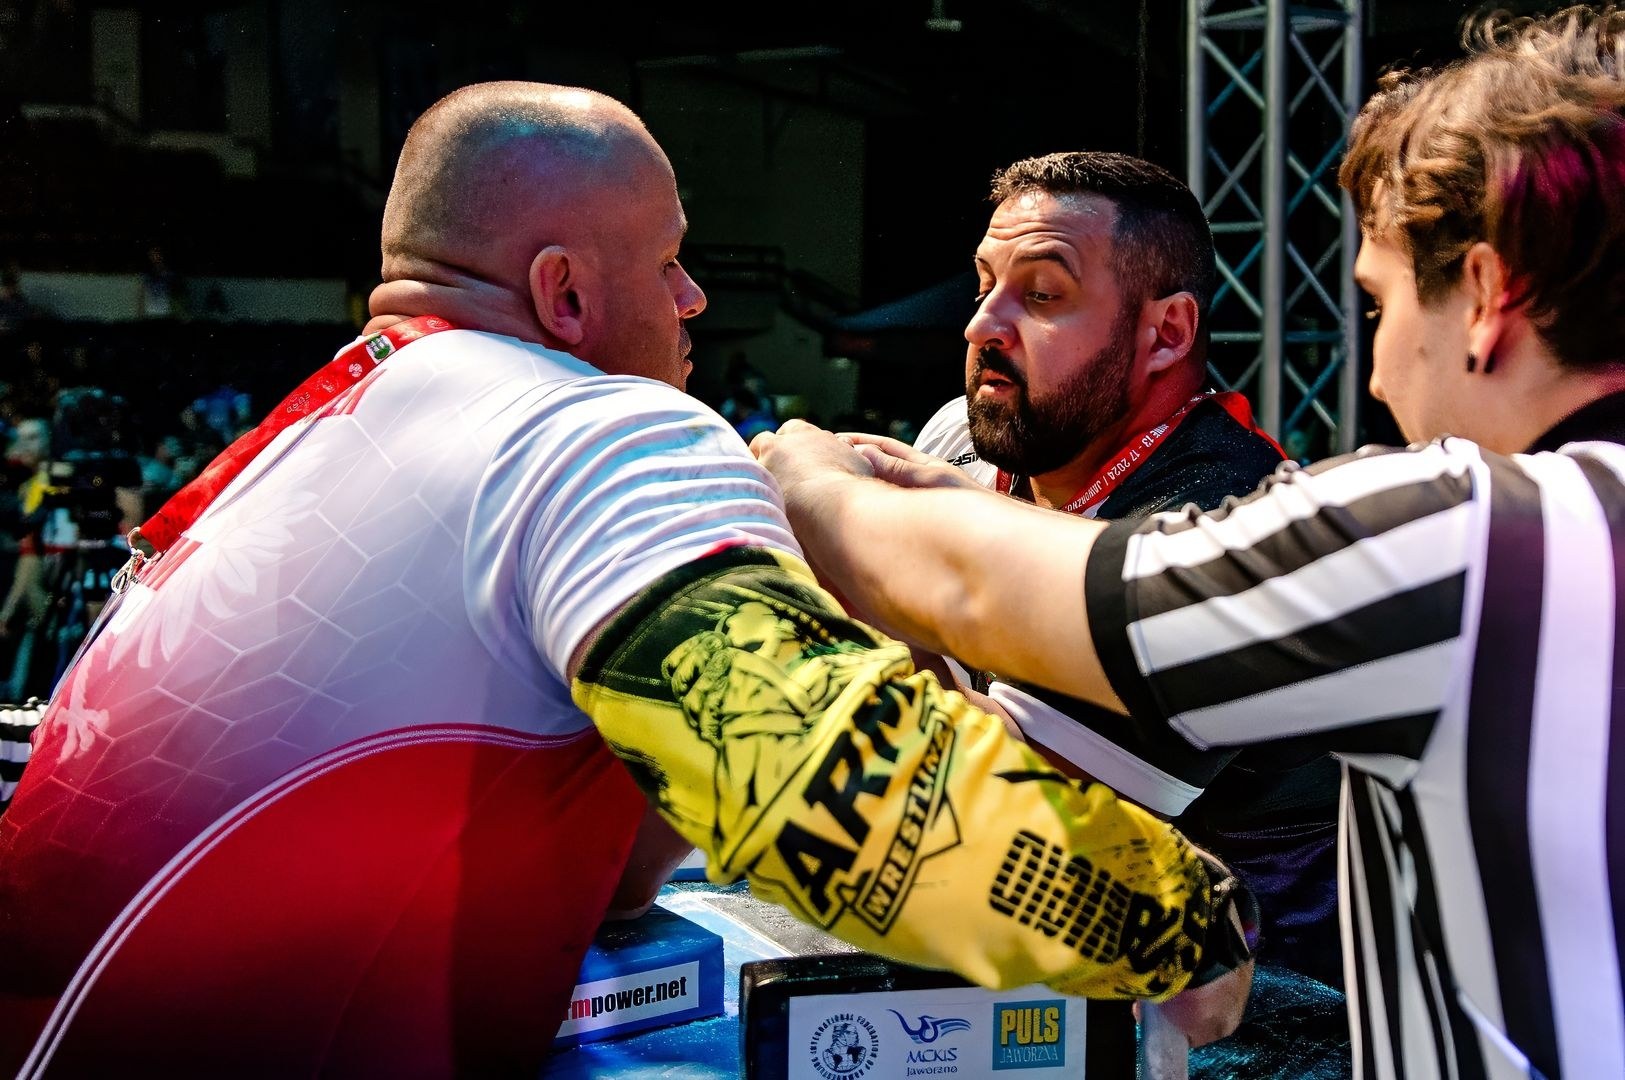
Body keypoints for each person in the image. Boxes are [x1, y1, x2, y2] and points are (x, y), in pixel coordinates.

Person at [0, 82, 1254, 1075]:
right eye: (668, 265)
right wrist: (1169, 926)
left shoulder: (307, 433)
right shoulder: (594, 427)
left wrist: (787, 608)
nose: (696, 296)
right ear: (562, 294)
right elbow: (828, 794)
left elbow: (614, 877)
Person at [752, 7, 1625, 1078]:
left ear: (1485, 297)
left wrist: (811, 484)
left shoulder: (1464, 532)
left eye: (1381, 304)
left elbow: (1021, 632)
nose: (1379, 373)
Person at [909, 149, 1344, 990]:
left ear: (1167, 333)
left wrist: (865, 569)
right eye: (983, 284)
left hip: (1259, 998)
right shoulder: (960, 440)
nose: (981, 326)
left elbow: (1025, 818)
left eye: (1040, 295)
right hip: (1035, 951)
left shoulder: (1226, 520)